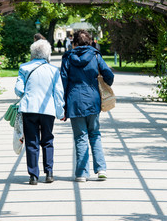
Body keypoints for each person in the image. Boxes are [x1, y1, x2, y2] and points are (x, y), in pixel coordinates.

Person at [60, 30, 114, 182]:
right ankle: (101, 169)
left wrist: (62, 105)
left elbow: (63, 81)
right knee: (95, 134)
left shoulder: (68, 58)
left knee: (80, 137)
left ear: (74, 43)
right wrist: (105, 82)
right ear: (90, 42)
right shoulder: (96, 56)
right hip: (92, 100)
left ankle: (82, 174)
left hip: (74, 101)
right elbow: (109, 76)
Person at [15, 39, 65, 185]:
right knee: (48, 140)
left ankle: (33, 176)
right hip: (47, 110)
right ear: (47, 54)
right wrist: (60, 113)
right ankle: (49, 172)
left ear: (33, 53)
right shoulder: (54, 70)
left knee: (32, 141)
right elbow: (58, 93)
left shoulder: (24, 68)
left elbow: (19, 90)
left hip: (29, 109)